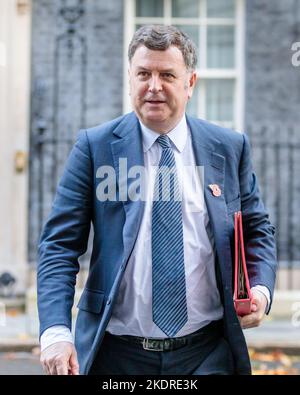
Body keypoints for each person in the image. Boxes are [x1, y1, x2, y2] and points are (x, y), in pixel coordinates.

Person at [37, 25, 277, 375]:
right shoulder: (95, 148)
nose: (154, 86)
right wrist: (56, 332)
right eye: (143, 74)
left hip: (207, 354)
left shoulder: (228, 147)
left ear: (190, 82)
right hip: (115, 356)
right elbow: (59, 245)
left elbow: (257, 229)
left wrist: (259, 290)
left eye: (167, 74)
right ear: (130, 80)